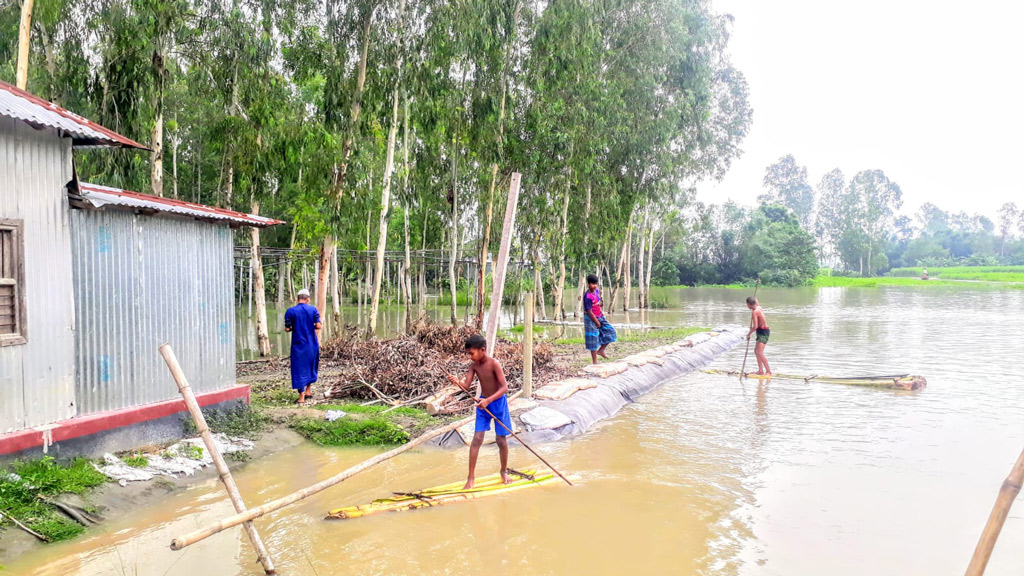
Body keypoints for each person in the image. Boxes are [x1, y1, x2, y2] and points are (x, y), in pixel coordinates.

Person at [447, 335, 512, 488]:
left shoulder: (494, 364)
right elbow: (467, 386)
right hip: (482, 404)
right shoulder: (474, 366)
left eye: (471, 353)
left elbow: (504, 388)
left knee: (501, 440)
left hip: (497, 404)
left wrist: (488, 401)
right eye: (467, 354)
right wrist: (457, 382)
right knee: (477, 440)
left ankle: (503, 471)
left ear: (482, 350)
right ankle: (470, 478)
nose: (469, 357)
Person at [284, 289, 321, 403]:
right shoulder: (313, 309)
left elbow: (287, 329)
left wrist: (294, 327)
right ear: (308, 299)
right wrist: (310, 326)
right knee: (310, 366)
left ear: (297, 298)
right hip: (312, 344)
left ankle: (301, 397)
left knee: (299, 368)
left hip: (298, 345)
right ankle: (309, 391)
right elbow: (318, 326)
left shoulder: (291, 311)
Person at [583, 274, 616, 364]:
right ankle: (595, 362)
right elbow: (589, 311)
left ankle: (601, 351)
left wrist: (599, 305)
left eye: (596, 284)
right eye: (593, 284)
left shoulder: (596, 291)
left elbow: (597, 302)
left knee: (610, 332)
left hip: (600, 315)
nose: (595, 286)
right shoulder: (587, 296)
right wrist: (597, 322)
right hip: (591, 319)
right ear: (588, 284)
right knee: (592, 339)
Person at [745, 296, 771, 376]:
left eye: (747, 305)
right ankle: (760, 371)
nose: (747, 306)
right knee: (756, 351)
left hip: (763, 332)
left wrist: (748, 334)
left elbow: (755, 326)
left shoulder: (755, 312)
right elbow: (756, 301)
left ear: (749, 304)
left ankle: (768, 372)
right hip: (760, 331)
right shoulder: (759, 307)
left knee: (759, 352)